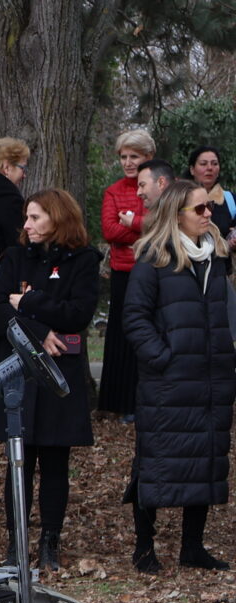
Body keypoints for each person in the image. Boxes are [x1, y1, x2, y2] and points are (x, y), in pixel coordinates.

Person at [0, 190, 101, 571]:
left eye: (35, 218)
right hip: (19, 370)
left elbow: (78, 314)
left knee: (54, 462)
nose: (27, 226)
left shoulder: (83, 261)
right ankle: (16, 543)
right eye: (27, 218)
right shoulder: (16, 257)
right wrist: (35, 326)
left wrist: (27, 303)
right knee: (18, 461)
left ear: (58, 218)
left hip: (58, 372)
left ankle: (50, 541)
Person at [124, 178, 234, 572]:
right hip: (168, 381)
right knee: (156, 462)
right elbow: (134, 318)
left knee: (205, 459)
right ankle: (143, 548)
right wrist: (163, 357)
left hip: (212, 379)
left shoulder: (215, 258)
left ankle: (193, 547)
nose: (209, 215)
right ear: (176, 215)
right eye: (199, 209)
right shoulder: (153, 260)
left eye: (209, 208)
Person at [97, 128, 157, 420]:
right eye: (124, 156)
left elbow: (165, 225)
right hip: (124, 271)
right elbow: (110, 230)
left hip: (155, 269)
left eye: (135, 156)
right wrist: (143, 226)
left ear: (148, 157)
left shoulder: (161, 186)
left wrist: (132, 222)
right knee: (122, 335)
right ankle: (121, 403)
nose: (128, 162)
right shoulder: (114, 191)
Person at [186, 146, 236, 245]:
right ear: (192, 169)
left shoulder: (231, 200)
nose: (209, 168)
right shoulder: (180, 198)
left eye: (215, 164)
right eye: (203, 164)